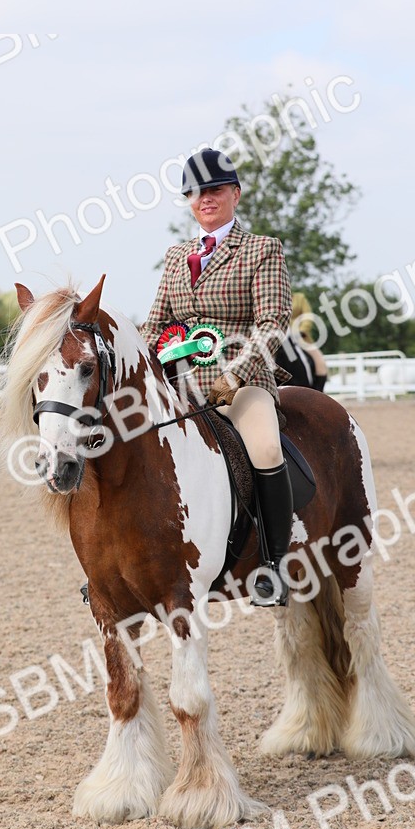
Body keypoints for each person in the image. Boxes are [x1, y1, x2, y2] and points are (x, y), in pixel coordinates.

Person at [141, 148, 293, 606]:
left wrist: (234, 375)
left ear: (234, 194)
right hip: (178, 382)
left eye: (214, 190)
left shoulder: (261, 250)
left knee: (265, 448)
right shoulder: (176, 256)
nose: (204, 198)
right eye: (195, 192)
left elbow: (273, 323)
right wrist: (145, 366)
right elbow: (154, 324)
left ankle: (273, 566)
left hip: (240, 383)